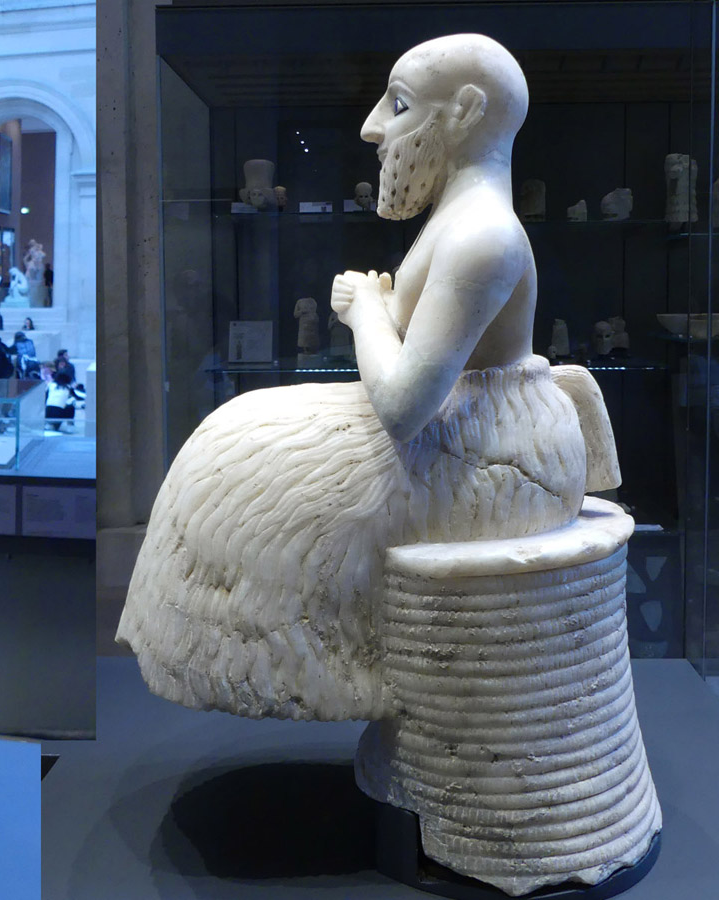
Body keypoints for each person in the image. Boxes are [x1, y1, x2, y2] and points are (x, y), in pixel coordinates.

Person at [117, 35, 617, 723]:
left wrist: (365, 313)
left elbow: (407, 406)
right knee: (231, 435)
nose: (372, 128)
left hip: (490, 450)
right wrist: (378, 312)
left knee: (235, 457)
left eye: (399, 105)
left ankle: (296, 657)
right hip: (470, 423)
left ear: (466, 111)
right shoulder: (460, 221)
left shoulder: (483, 236)